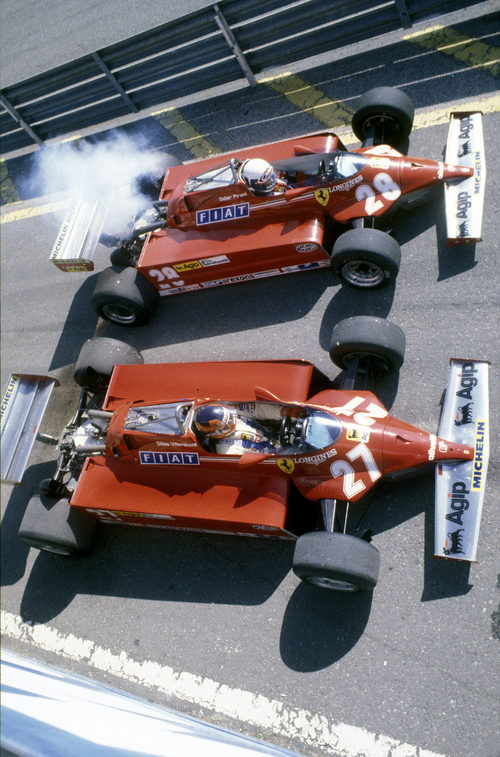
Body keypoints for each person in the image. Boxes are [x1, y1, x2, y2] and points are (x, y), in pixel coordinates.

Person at [194, 403, 280, 454]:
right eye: (226, 424)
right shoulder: (227, 451)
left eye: (229, 417)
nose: (231, 421)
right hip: (275, 454)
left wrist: (283, 412)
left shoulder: (234, 411)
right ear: (216, 433)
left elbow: (259, 410)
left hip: (277, 434)